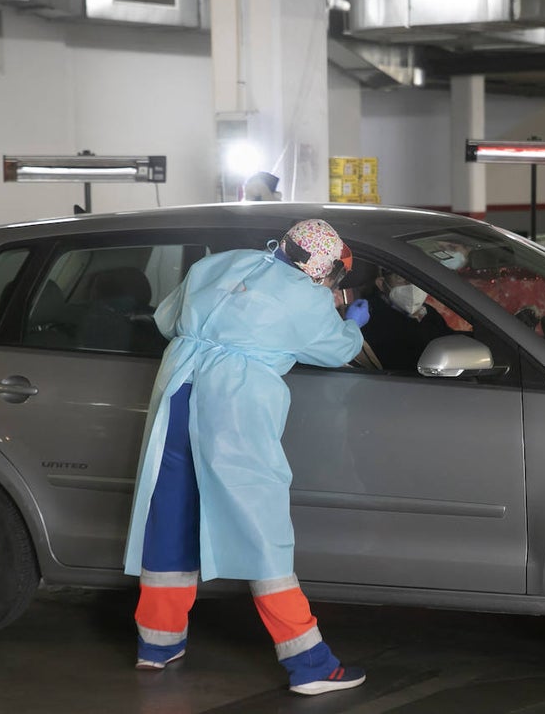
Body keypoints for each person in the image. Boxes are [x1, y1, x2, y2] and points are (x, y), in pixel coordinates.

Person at [123, 219, 370, 696]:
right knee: (261, 526)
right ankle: (308, 662)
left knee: (170, 514)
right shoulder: (307, 298)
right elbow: (337, 351)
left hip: (177, 392)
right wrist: (352, 325)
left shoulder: (217, 264)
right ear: (322, 269)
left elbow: (167, 321)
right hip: (232, 405)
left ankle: (157, 643)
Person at [362, 268, 454, 370]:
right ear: (381, 284)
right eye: (400, 277)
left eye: (416, 277)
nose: (411, 284)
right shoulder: (372, 318)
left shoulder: (427, 310)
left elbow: (448, 336)